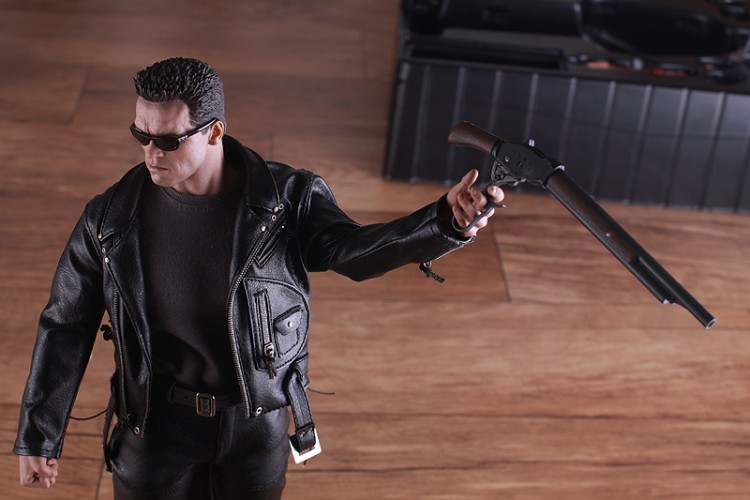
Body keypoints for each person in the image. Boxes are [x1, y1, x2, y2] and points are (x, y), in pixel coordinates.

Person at [14, 57, 504, 499]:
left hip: (255, 422)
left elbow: (353, 252)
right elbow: (66, 323)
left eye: (167, 140)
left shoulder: (285, 200)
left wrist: (443, 223)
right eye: (140, 135)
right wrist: (39, 436)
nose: (150, 152)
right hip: (154, 424)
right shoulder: (110, 220)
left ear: (214, 132)